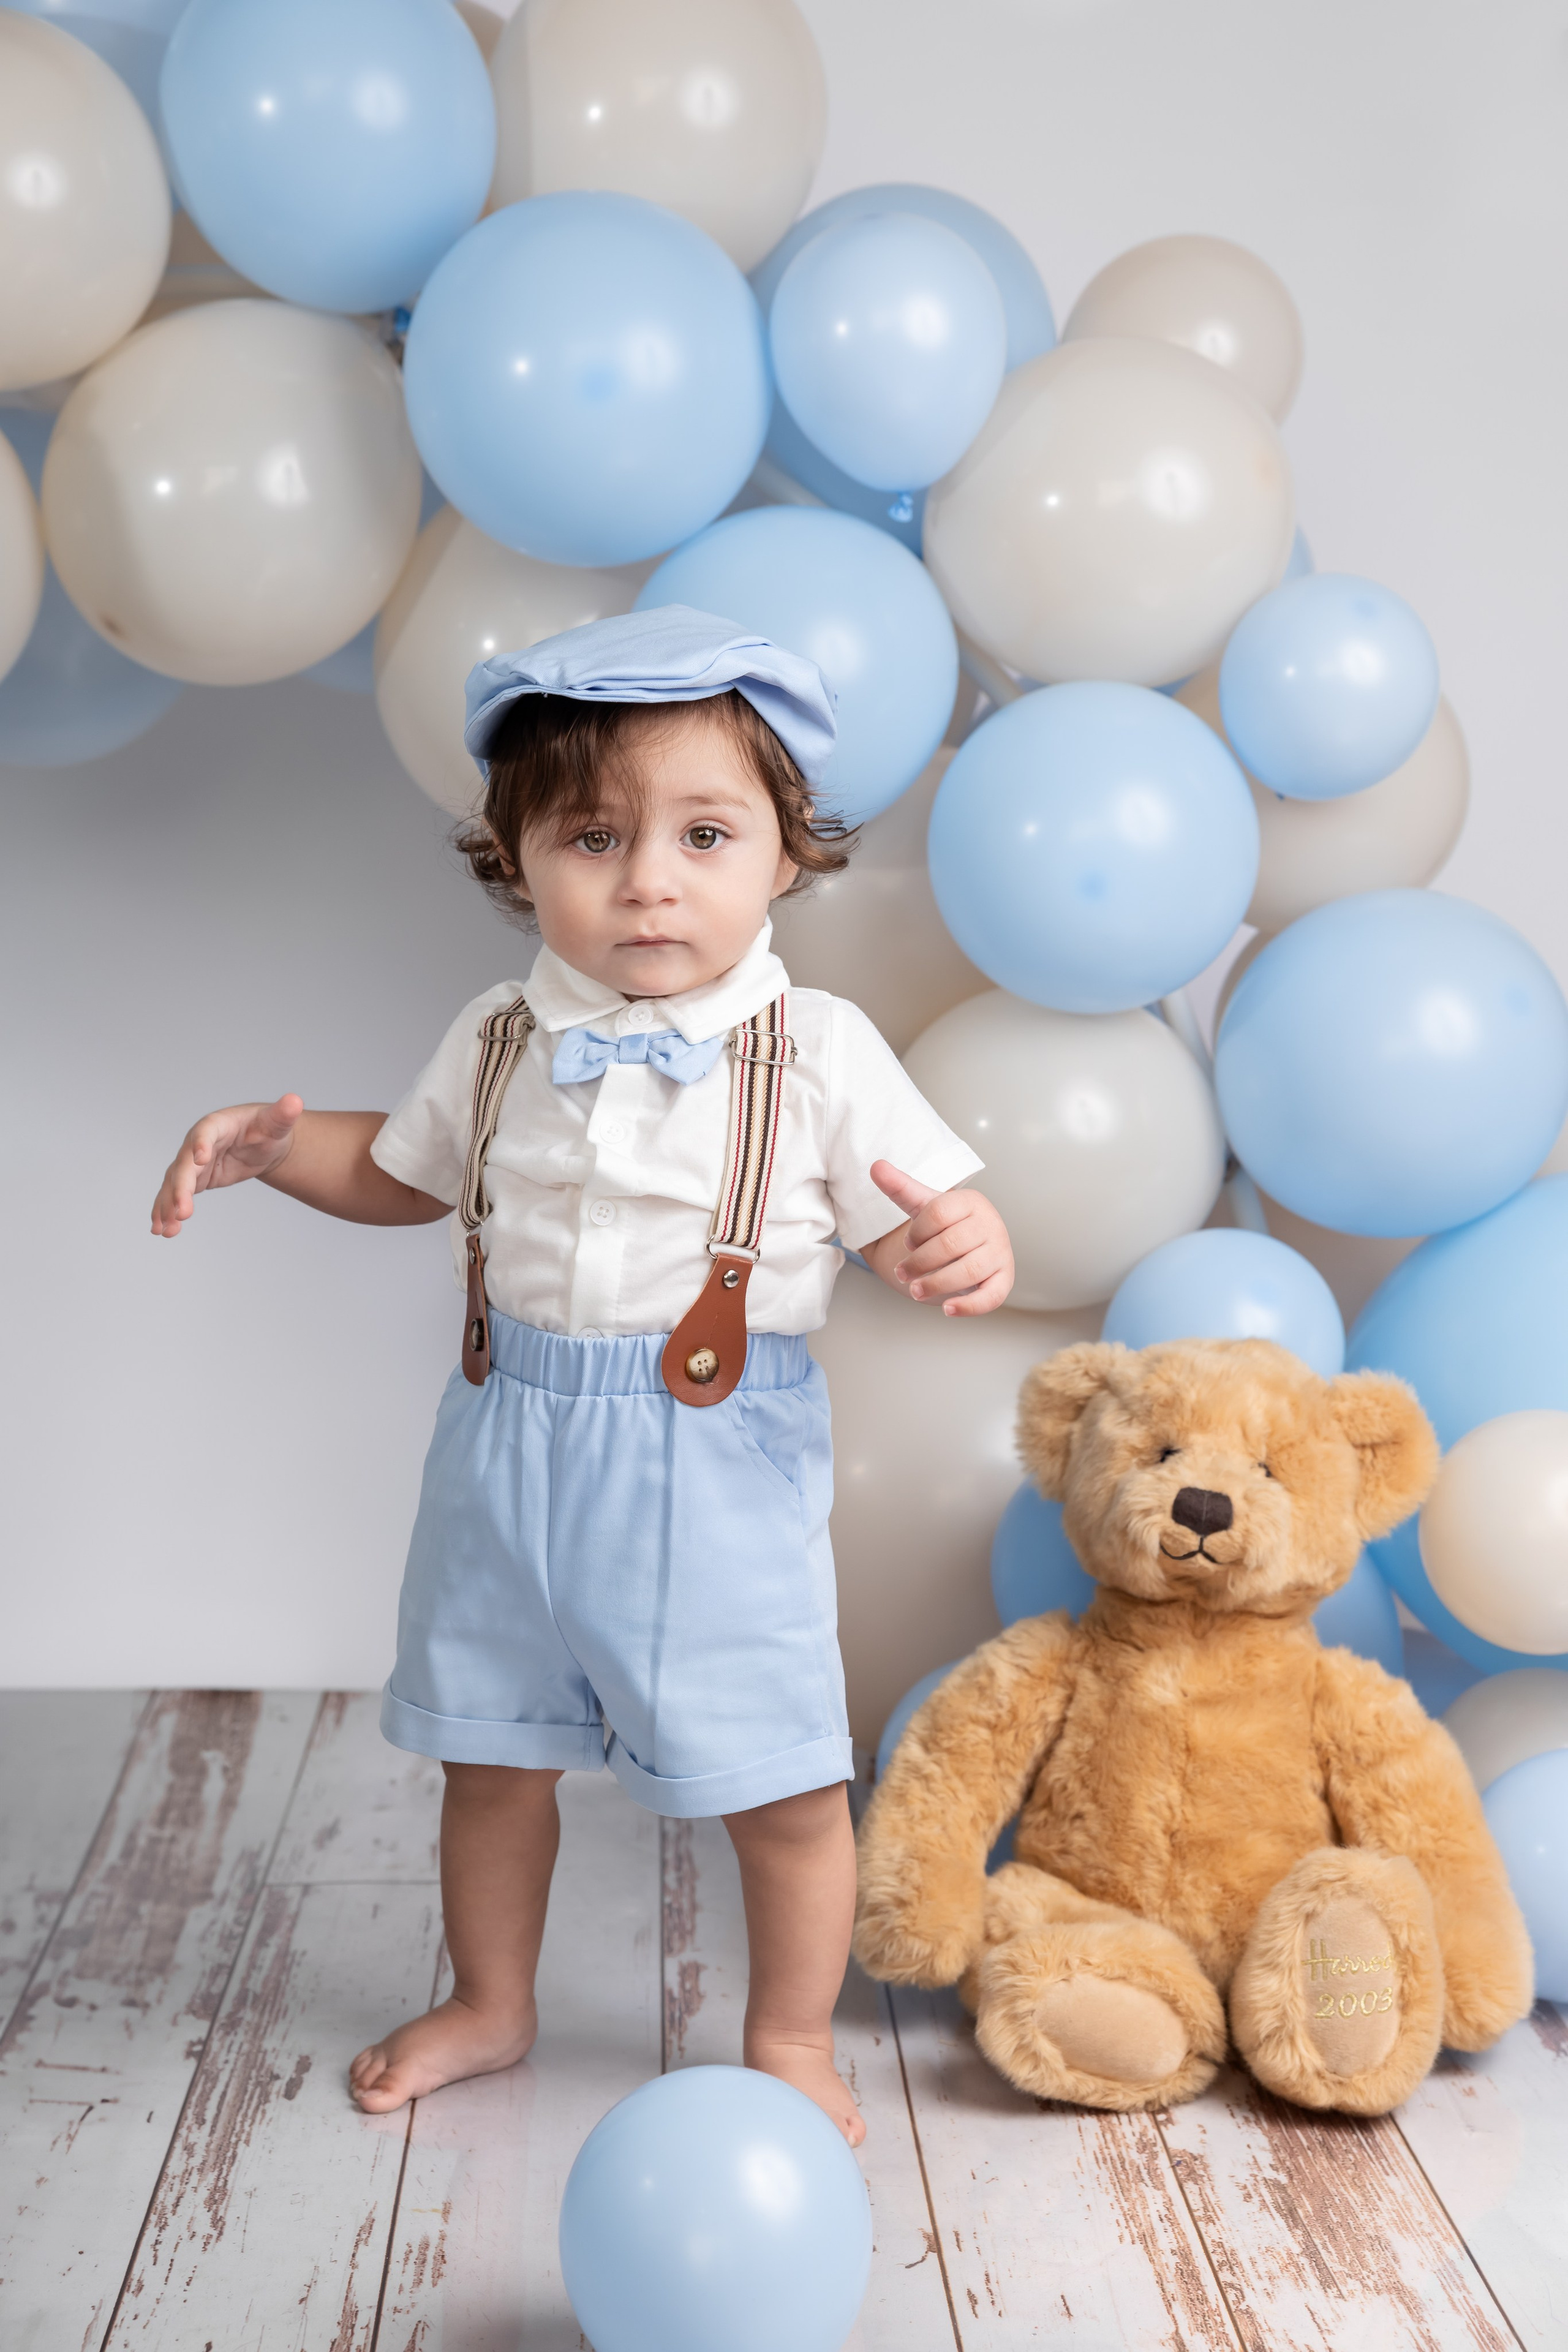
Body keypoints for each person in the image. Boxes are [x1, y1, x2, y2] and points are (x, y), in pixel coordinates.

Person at [150, 607, 1014, 2144]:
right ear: (516, 856)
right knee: (491, 1758)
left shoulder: (813, 1049)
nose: (648, 880)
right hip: (501, 1453)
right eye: (592, 837)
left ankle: (792, 2037)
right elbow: (404, 1175)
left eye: (702, 833)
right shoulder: (495, 1036)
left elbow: (915, 1210)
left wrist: (960, 1240)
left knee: (782, 1785)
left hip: (711, 1465)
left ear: (786, 852)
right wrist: (280, 1151)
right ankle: (492, 2003)